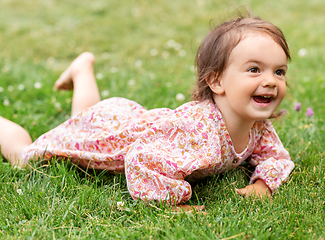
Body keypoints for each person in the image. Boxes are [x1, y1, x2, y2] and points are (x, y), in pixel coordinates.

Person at [0, 11, 294, 212]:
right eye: (254, 69)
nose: (270, 81)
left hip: (125, 119)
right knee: (25, 156)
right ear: (216, 81)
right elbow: (140, 159)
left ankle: (81, 69)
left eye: (278, 71)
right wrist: (175, 202)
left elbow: (274, 156)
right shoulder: (198, 133)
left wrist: (262, 183)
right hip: (111, 139)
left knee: (87, 115)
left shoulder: (257, 126)